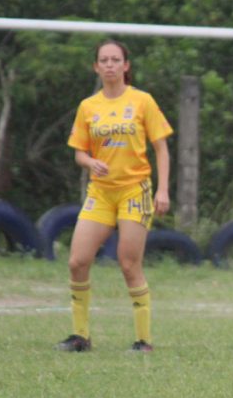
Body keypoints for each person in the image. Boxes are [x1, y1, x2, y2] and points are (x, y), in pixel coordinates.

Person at [58, 40, 172, 353]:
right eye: (103, 60)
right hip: (101, 193)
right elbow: (79, 151)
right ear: (96, 67)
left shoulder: (142, 101)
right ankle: (80, 336)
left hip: (134, 189)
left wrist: (162, 190)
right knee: (77, 261)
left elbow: (161, 147)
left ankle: (143, 341)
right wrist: (89, 161)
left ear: (126, 66)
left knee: (128, 263)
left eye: (115, 59)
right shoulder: (88, 106)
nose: (109, 65)